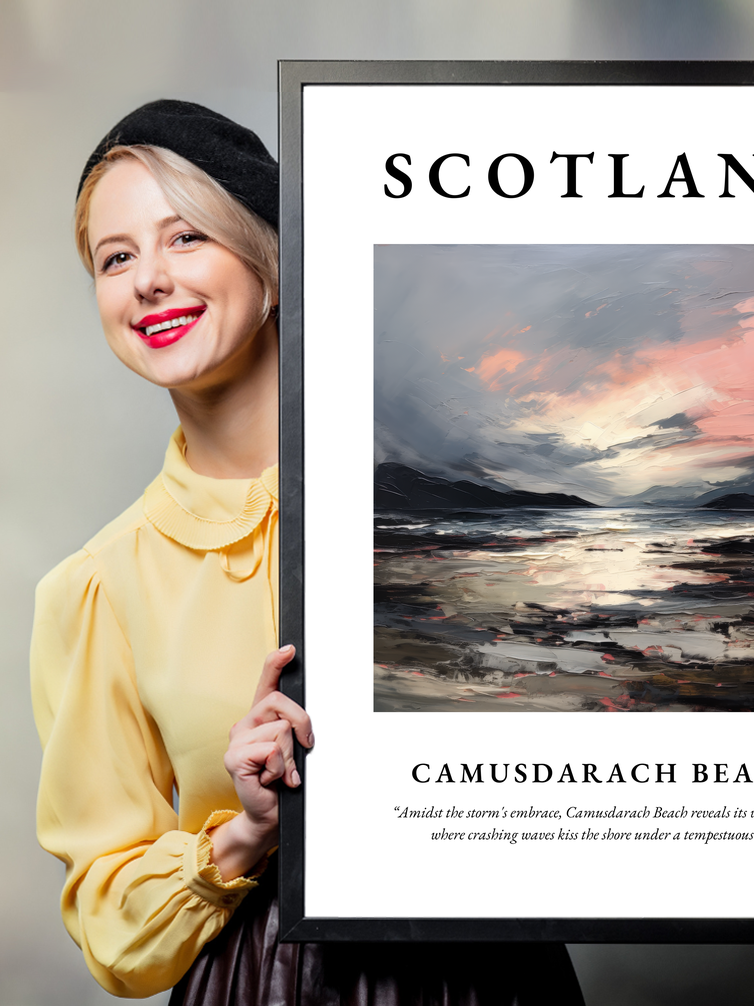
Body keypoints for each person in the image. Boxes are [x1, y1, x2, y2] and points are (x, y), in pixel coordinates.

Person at [30, 100, 585, 1004]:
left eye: (186, 239)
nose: (148, 281)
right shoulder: (97, 587)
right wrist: (244, 832)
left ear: (273, 264)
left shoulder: (439, 504)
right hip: (263, 981)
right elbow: (110, 924)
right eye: (116, 257)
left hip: (492, 973)